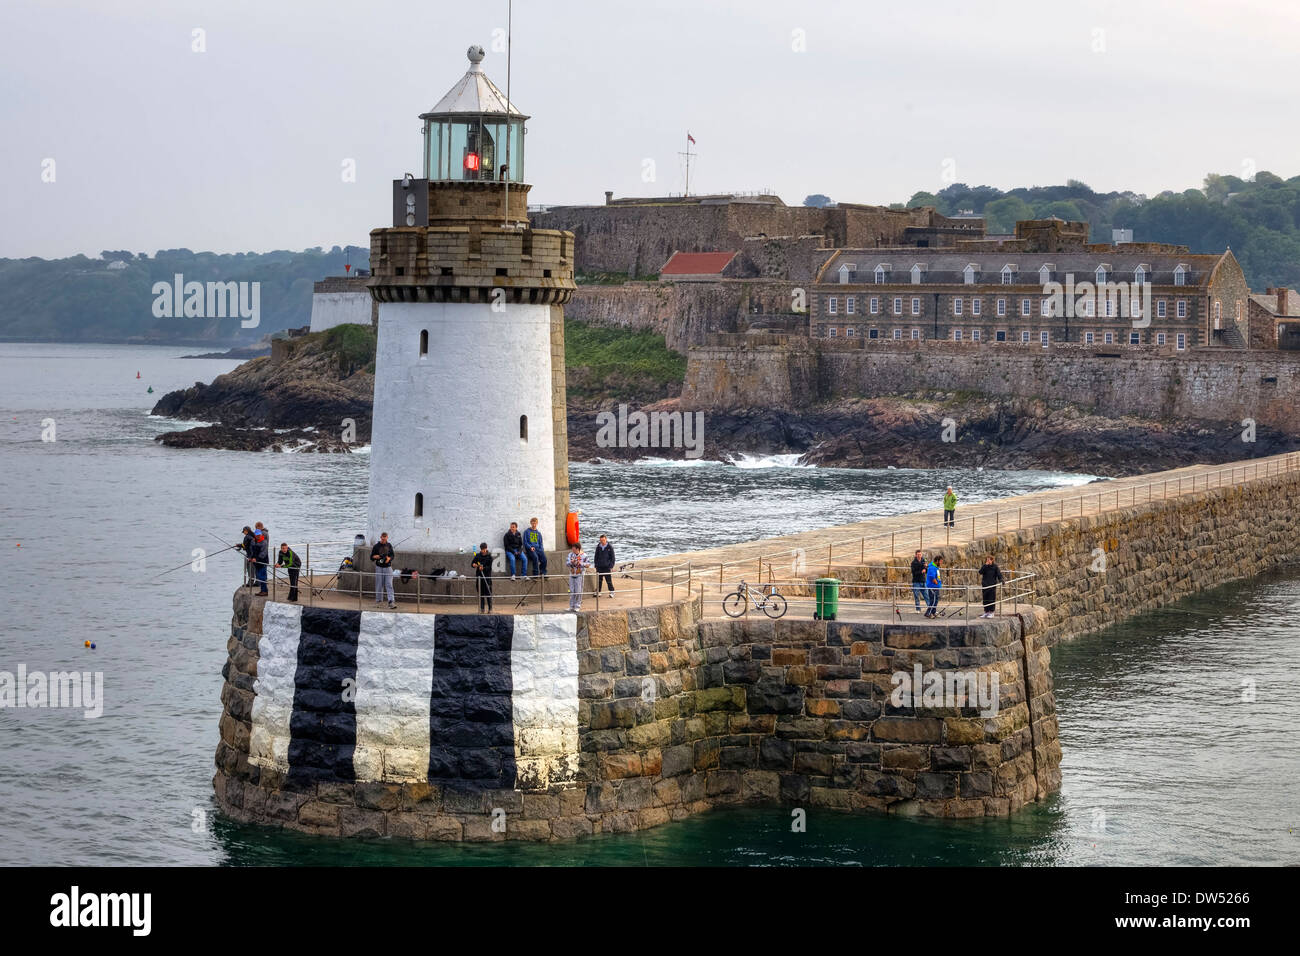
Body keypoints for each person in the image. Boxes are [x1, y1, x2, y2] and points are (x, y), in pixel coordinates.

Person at [370, 532, 396, 608]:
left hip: (388, 567)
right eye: (382, 537)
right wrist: (377, 556)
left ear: (387, 537)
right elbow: (371, 557)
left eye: (385, 537)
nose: (384, 539)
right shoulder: (376, 546)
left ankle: (391, 601)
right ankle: (378, 601)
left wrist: (389, 558)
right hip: (379, 567)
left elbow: (392, 555)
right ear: (380, 537)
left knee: (389, 584)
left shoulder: (389, 545)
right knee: (379, 584)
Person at [565, 543, 591, 611]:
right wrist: (571, 562)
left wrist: (581, 564)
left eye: (573, 548)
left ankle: (577, 606)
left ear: (577, 549)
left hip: (580, 575)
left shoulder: (584, 555)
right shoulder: (570, 555)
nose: (572, 549)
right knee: (571, 591)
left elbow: (588, 564)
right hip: (572, 574)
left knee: (578, 591)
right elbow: (567, 563)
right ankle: (571, 606)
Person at [471, 542, 494, 613]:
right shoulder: (477, 556)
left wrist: (483, 568)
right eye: (482, 549)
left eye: (485, 549)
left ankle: (490, 608)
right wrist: (474, 565)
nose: (484, 551)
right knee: (481, 594)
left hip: (487, 578)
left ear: (486, 548)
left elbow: (490, 567)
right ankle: (482, 608)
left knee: (488, 593)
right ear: (481, 549)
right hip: (479, 577)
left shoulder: (489, 557)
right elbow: (472, 564)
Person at [252, 522, 270, 595]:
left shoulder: (264, 542)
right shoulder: (254, 542)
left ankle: (264, 591)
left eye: (259, 535)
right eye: (256, 535)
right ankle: (263, 590)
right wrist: (251, 557)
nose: (257, 536)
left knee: (262, 576)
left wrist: (257, 559)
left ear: (261, 534)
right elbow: (253, 551)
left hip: (263, 561)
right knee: (259, 576)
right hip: (256, 562)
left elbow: (263, 553)